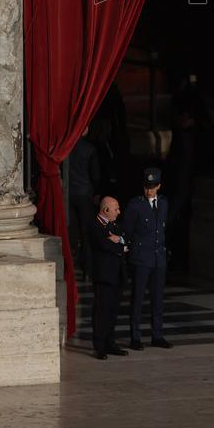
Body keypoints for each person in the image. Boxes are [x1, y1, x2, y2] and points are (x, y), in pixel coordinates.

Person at [123, 167, 172, 350]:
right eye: (146, 186)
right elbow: (127, 230)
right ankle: (135, 336)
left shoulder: (164, 203)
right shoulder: (135, 205)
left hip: (158, 258)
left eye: (152, 186)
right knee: (138, 298)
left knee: (158, 299)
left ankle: (157, 335)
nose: (148, 190)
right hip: (142, 258)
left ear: (159, 186)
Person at [87, 196, 129, 359]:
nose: (119, 212)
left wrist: (119, 241)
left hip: (117, 274)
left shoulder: (115, 226)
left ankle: (110, 342)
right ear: (106, 210)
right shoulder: (94, 225)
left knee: (113, 311)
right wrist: (120, 247)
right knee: (101, 311)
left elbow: (127, 242)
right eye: (116, 209)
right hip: (104, 275)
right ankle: (100, 345)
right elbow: (104, 245)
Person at [67, 127, 101, 278]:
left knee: (71, 233)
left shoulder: (66, 146)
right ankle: (87, 269)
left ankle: (70, 269)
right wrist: (97, 192)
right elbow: (95, 174)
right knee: (86, 233)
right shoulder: (89, 149)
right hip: (85, 193)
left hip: (68, 193)